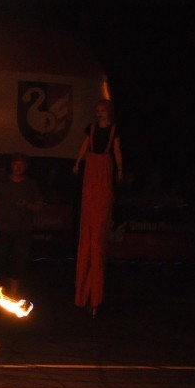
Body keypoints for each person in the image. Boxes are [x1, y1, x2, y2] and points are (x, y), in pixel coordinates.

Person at [72, 99, 123, 318]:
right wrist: (77, 162)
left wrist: (120, 170)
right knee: (89, 217)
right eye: (97, 110)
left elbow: (117, 151)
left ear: (108, 112)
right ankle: (83, 296)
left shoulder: (113, 130)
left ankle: (95, 297)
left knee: (99, 215)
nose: (99, 113)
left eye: (102, 110)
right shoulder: (91, 129)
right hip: (92, 165)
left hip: (103, 167)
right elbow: (84, 145)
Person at [0, 153, 43, 296]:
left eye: (21, 165)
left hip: (23, 229)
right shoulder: (1, 183)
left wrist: (27, 205)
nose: (18, 167)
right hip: (4, 229)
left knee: (20, 260)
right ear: (11, 166)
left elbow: (38, 206)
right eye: (15, 164)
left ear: (25, 167)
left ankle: (13, 292)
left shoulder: (31, 184)